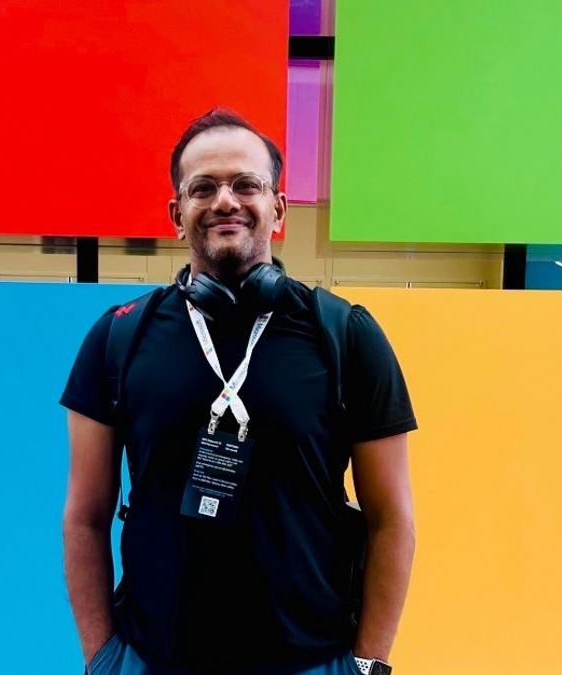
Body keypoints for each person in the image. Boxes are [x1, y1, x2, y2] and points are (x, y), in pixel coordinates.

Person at [60, 109, 417, 675]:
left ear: (278, 208)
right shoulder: (118, 339)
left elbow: (391, 517)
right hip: (154, 659)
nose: (225, 201)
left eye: (246, 184)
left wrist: (367, 664)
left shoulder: (346, 337)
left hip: (310, 660)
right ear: (177, 215)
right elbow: (85, 516)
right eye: (203, 188)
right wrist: (104, 659)